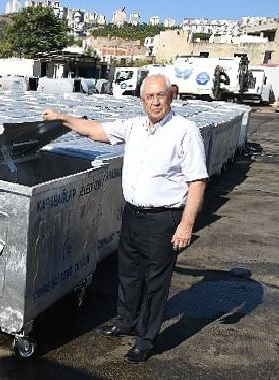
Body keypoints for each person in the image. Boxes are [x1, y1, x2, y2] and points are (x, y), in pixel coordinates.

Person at [42, 74, 208, 363]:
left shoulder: (185, 130)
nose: (155, 102)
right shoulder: (135, 127)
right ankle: (125, 321)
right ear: (141, 100)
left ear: (170, 96)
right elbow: (96, 130)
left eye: (161, 95)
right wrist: (62, 118)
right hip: (132, 215)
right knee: (129, 274)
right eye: (149, 97)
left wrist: (186, 224)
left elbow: (198, 181)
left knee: (156, 282)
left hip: (164, 218)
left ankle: (146, 339)